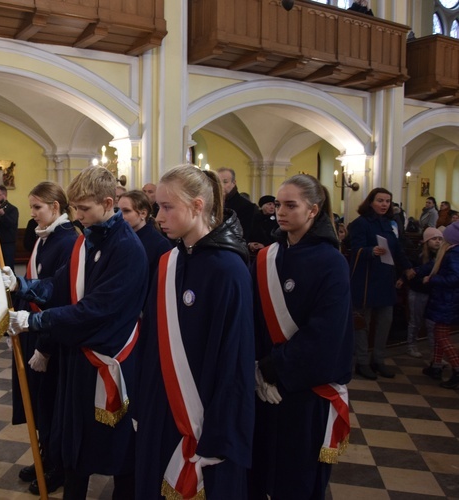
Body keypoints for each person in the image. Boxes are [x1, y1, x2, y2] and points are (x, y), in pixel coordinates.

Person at [4, 166, 148, 500]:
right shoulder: (86, 240)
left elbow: (97, 309)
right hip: (77, 359)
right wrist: (22, 284)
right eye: (75, 209)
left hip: (107, 360)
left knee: (118, 448)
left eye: (84, 209)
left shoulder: (126, 248)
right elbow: (62, 285)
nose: (78, 216)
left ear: (108, 203)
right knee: (74, 444)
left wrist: (34, 322)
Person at [134, 165, 255, 499]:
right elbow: (150, 342)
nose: (159, 215)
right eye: (157, 206)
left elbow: (234, 363)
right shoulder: (167, 262)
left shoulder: (229, 270)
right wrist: (141, 406)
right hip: (161, 409)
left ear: (198, 205)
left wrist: (219, 435)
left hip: (204, 419)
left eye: (168, 207)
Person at [248, 174, 353, 500]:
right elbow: (252, 320)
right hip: (263, 389)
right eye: (278, 204)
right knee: (261, 475)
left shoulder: (331, 262)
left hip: (305, 392)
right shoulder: (267, 258)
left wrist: (273, 368)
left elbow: (325, 333)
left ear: (313, 210)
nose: (280, 211)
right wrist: (255, 369)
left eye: (291, 205)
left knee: (297, 482)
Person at [13, 181, 78, 495]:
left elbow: (61, 296)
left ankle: (55, 467)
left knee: (51, 404)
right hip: (33, 327)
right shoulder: (45, 237)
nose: (33, 214)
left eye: (38, 208)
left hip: (49, 334)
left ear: (56, 207)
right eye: (32, 207)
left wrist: (44, 346)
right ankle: (42, 456)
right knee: (38, 402)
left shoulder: (67, 241)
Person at [349, 188, 416, 380]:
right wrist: (371, 251)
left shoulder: (388, 223)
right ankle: (362, 362)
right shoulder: (361, 223)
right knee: (363, 324)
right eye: (380, 200)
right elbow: (356, 249)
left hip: (385, 279)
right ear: (371, 202)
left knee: (385, 322)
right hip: (367, 279)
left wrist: (407, 267)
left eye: (387, 201)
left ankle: (378, 359)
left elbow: (397, 248)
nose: (384, 204)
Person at [421, 221, 459, 389]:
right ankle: (436, 366)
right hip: (446, 299)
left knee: (442, 336)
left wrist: (433, 279)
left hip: (448, 299)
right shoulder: (452, 252)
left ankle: (457, 369)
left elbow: (455, 278)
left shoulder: (453, 254)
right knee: (439, 333)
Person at [400, 228, 442, 358]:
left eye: (440, 239)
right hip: (418, 292)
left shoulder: (441, 255)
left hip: (433, 293)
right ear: (426, 241)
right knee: (415, 321)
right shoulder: (417, 255)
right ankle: (411, 346)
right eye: (434, 239)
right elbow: (409, 274)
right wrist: (421, 280)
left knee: (432, 324)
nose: (437, 242)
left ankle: (434, 353)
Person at [117, 190, 172, 288]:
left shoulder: (160, 244)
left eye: (126, 211)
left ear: (143, 213)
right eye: (118, 211)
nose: (120, 216)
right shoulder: (118, 238)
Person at [216, 167, 257, 240]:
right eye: (218, 182)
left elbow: (244, 235)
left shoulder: (247, 206)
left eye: (225, 182)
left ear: (234, 183)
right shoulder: (212, 203)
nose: (221, 186)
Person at [0, 185, 19, 267]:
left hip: (8, 244)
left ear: (4, 195)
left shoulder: (13, 209)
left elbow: (12, 224)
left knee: (7, 267)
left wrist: (3, 214)